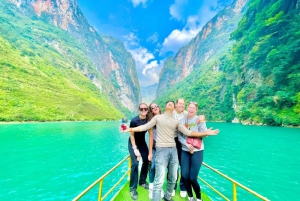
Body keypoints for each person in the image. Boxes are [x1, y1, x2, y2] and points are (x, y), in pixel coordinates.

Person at [121, 101, 219, 201]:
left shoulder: (176, 121)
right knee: (159, 179)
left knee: (173, 177)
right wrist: (130, 129)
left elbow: (188, 132)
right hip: (161, 150)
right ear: (165, 106)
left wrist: (205, 133)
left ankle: (168, 196)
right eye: (168, 104)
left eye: (172, 104)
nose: (170, 104)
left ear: (174, 107)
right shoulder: (157, 118)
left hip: (173, 150)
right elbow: (144, 127)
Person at [178, 101, 207, 201]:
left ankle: (199, 198)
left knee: (192, 178)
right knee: (185, 176)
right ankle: (190, 197)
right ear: (187, 108)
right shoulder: (182, 120)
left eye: (193, 108)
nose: (191, 109)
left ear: (196, 110)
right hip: (185, 150)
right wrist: (186, 143)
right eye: (189, 107)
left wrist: (202, 122)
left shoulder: (199, 119)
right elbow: (179, 136)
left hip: (197, 151)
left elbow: (204, 134)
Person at [128, 103, 152, 200]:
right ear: (139, 110)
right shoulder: (134, 120)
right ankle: (132, 189)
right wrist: (135, 149)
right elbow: (132, 135)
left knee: (146, 160)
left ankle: (142, 181)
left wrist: (150, 152)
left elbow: (150, 136)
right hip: (133, 143)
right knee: (135, 163)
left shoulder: (149, 120)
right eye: (141, 109)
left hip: (142, 142)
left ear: (147, 110)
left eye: (145, 109)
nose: (143, 110)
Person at [172, 98, 188, 197]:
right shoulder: (171, 113)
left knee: (184, 165)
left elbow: (195, 118)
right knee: (173, 165)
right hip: (173, 140)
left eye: (183, 104)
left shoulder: (186, 114)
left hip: (184, 141)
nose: (181, 105)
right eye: (180, 104)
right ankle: (173, 186)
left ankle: (183, 187)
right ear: (176, 104)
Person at [147, 103, 161, 199]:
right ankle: (151, 185)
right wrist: (150, 152)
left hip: (164, 148)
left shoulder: (165, 117)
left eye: (156, 106)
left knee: (161, 168)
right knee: (152, 166)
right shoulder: (151, 121)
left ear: (159, 107)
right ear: (151, 110)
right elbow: (151, 137)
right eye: (153, 108)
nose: (155, 108)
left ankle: (158, 187)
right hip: (155, 147)